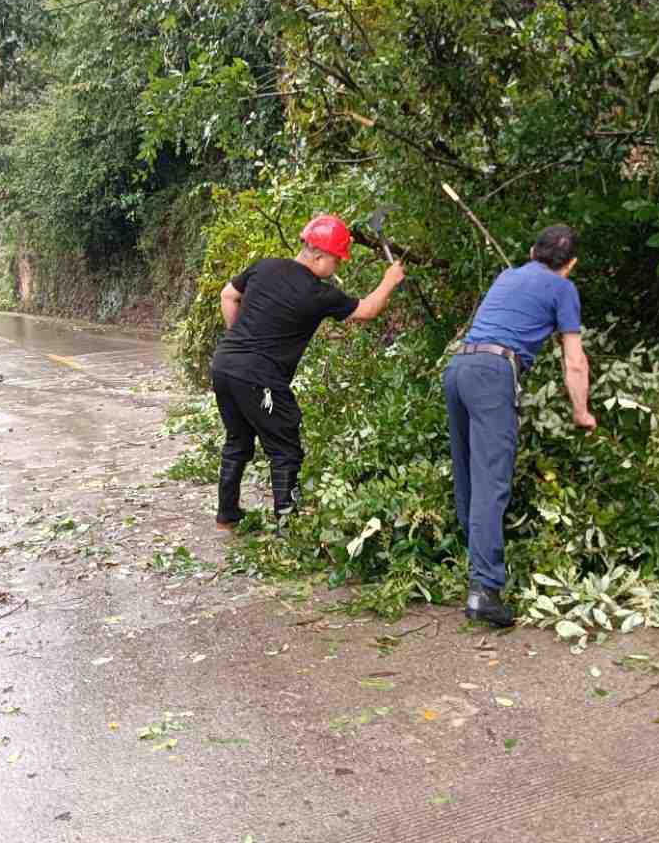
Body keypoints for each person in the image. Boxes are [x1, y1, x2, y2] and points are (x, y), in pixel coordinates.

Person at [443, 224, 596, 626]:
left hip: (459, 367)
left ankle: (473, 569)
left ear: (531, 251)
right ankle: (484, 590)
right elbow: (574, 361)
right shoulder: (564, 289)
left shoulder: (508, 276)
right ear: (571, 264)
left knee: (469, 478)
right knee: (491, 482)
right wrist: (581, 412)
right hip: (492, 374)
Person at [211, 214, 405, 528]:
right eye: (336, 260)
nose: (336, 268)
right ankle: (287, 527)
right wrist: (389, 280)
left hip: (224, 365)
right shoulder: (318, 294)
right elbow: (368, 310)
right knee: (285, 448)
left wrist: (238, 341)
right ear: (318, 256)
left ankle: (227, 515)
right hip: (259, 377)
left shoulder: (264, 266)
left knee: (238, 440)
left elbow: (228, 295)